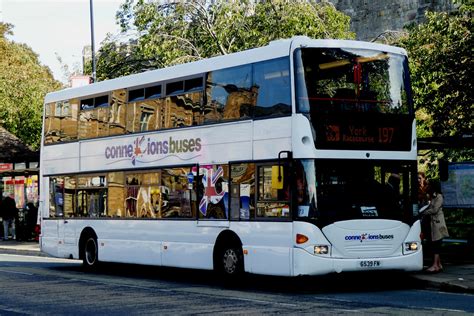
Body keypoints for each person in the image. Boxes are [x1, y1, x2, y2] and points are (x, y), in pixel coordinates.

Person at [421, 180, 449, 273]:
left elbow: (435, 210)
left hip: (438, 224)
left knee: (436, 243)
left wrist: (424, 212)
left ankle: (435, 265)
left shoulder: (439, 196)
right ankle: (438, 264)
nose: (428, 185)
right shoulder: (433, 196)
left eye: (429, 184)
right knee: (435, 243)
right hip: (433, 223)